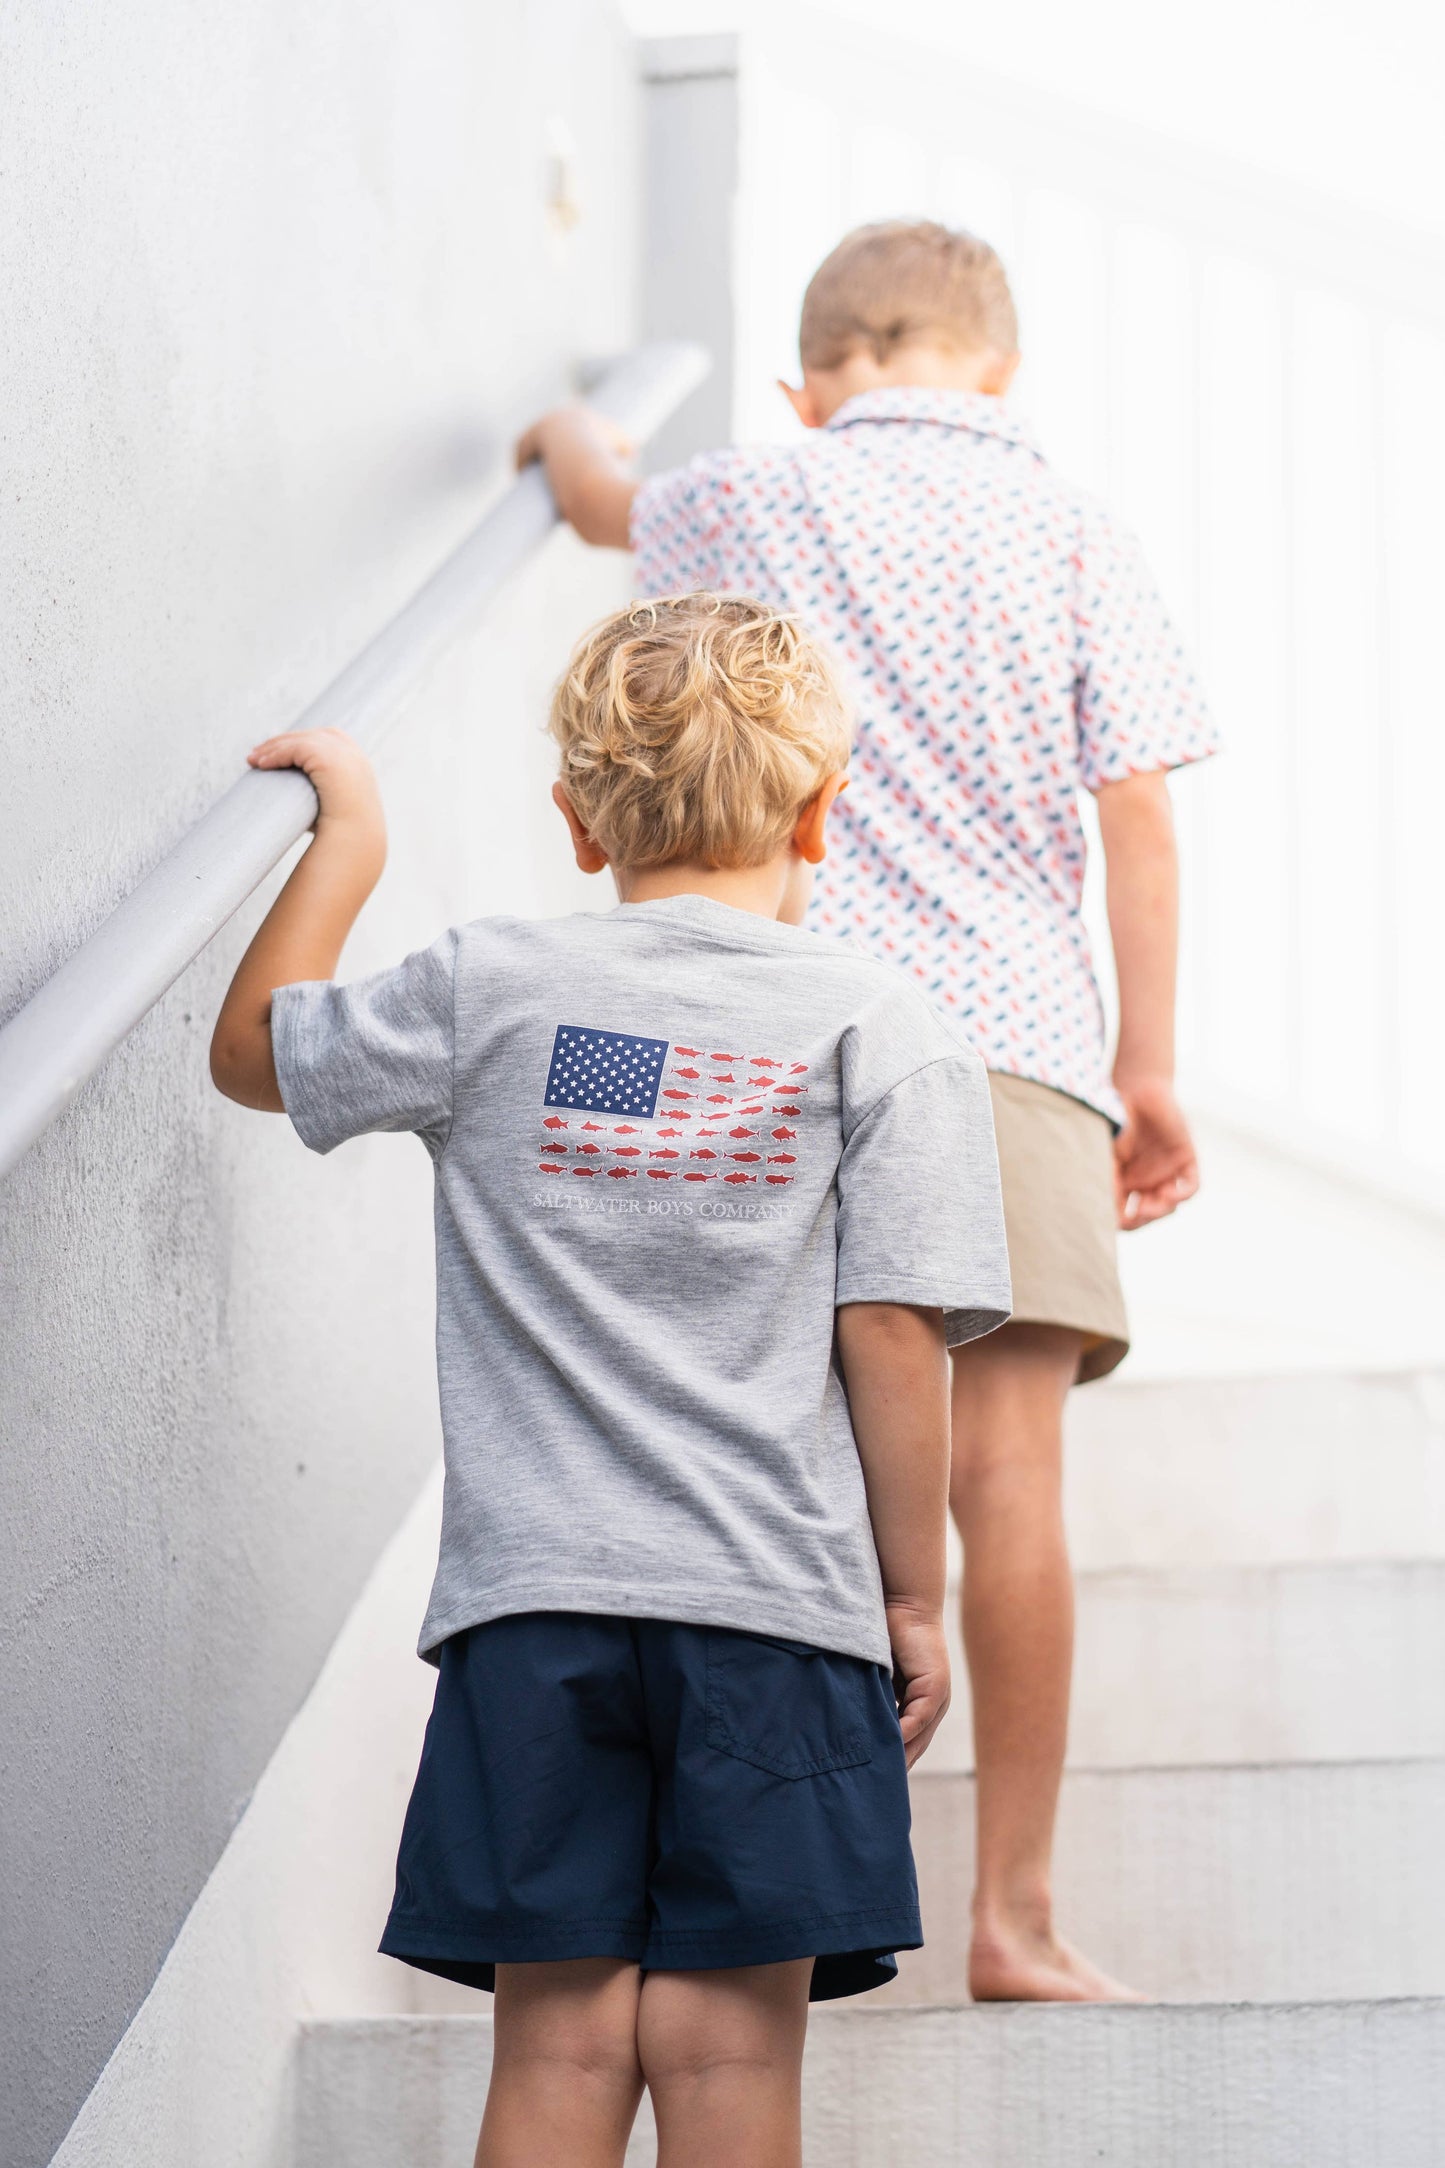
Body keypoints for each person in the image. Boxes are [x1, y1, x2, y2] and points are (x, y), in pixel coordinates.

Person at [209, 591, 1011, 2167]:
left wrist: (350, 844)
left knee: (559, 2050)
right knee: (726, 2058)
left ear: (576, 821)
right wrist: (910, 1597)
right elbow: (892, 1337)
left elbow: (253, 1051)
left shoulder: (485, 989)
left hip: (535, 1614)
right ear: (823, 810)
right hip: (777, 1613)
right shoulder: (878, 1024)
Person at [515, 220, 1218, 2002]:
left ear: (804, 378)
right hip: (1013, 1042)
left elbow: (608, 499)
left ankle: (752, 1895)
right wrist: (1143, 1064)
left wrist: (556, 435)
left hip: (789, 1042)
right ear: (999, 368)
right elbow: (1135, 810)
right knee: (1007, 1475)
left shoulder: (743, 490)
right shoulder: (1072, 521)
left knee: (782, 1451)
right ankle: (1015, 1916)